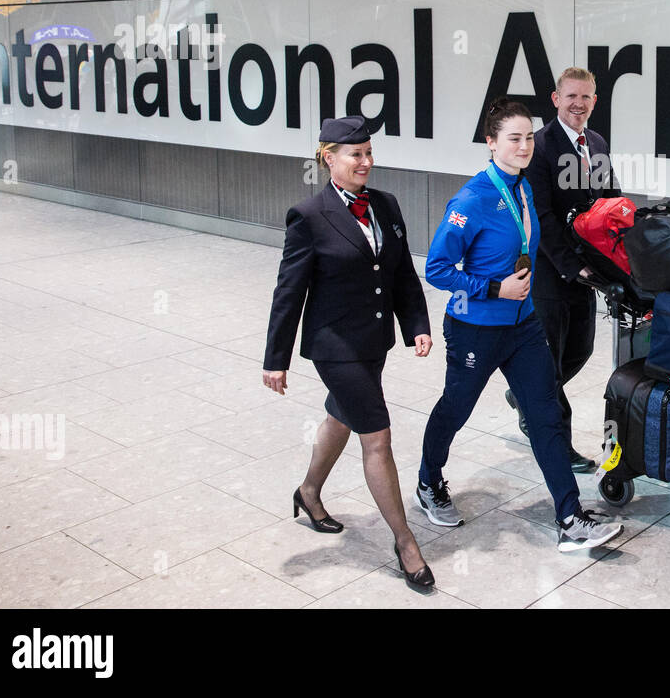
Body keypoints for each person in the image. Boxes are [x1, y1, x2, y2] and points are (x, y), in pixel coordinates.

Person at [417, 97, 623, 552]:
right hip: (476, 328)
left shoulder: (524, 187)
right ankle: (428, 481)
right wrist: (494, 289)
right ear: (491, 143)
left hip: (524, 326)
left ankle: (570, 518)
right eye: (514, 138)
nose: (525, 145)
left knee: (546, 414)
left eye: (529, 136)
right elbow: (437, 269)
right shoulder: (471, 199)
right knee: (456, 408)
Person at [262, 115, 436, 591]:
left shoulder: (385, 204)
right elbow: (288, 291)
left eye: (369, 152)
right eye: (354, 154)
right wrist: (275, 357)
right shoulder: (309, 216)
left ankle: (309, 492)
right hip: (333, 345)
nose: (365, 162)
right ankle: (405, 542)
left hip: (372, 341)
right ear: (328, 158)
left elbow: (401, 272)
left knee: (342, 416)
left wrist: (416, 324)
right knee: (376, 436)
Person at [512, 67, 618, 471]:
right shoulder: (539, 147)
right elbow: (541, 217)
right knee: (551, 363)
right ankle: (560, 446)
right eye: (570, 96)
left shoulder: (597, 142)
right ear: (555, 99)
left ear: (595, 101)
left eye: (586, 97)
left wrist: (621, 255)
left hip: (586, 271)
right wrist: (573, 268)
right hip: (549, 272)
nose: (578, 103)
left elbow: (611, 202)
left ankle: (526, 397)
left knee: (581, 349)